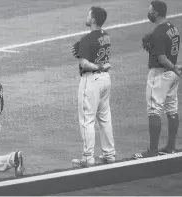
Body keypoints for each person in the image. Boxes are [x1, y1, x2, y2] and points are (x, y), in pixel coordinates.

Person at [132, 0, 182, 159]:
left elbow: (161, 58)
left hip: (160, 74)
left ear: (156, 13)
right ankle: (170, 147)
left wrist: (174, 68)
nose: (149, 14)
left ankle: (153, 150)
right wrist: (175, 68)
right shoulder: (173, 29)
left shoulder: (158, 33)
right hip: (172, 75)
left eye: (150, 11)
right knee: (172, 109)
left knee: (154, 110)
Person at [71, 6, 116, 167]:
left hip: (92, 81)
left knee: (87, 120)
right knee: (105, 118)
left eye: (89, 15)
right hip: (105, 80)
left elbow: (84, 64)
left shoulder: (87, 39)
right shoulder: (106, 36)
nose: (87, 17)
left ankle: (88, 157)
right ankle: (109, 154)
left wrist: (97, 66)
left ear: (94, 20)